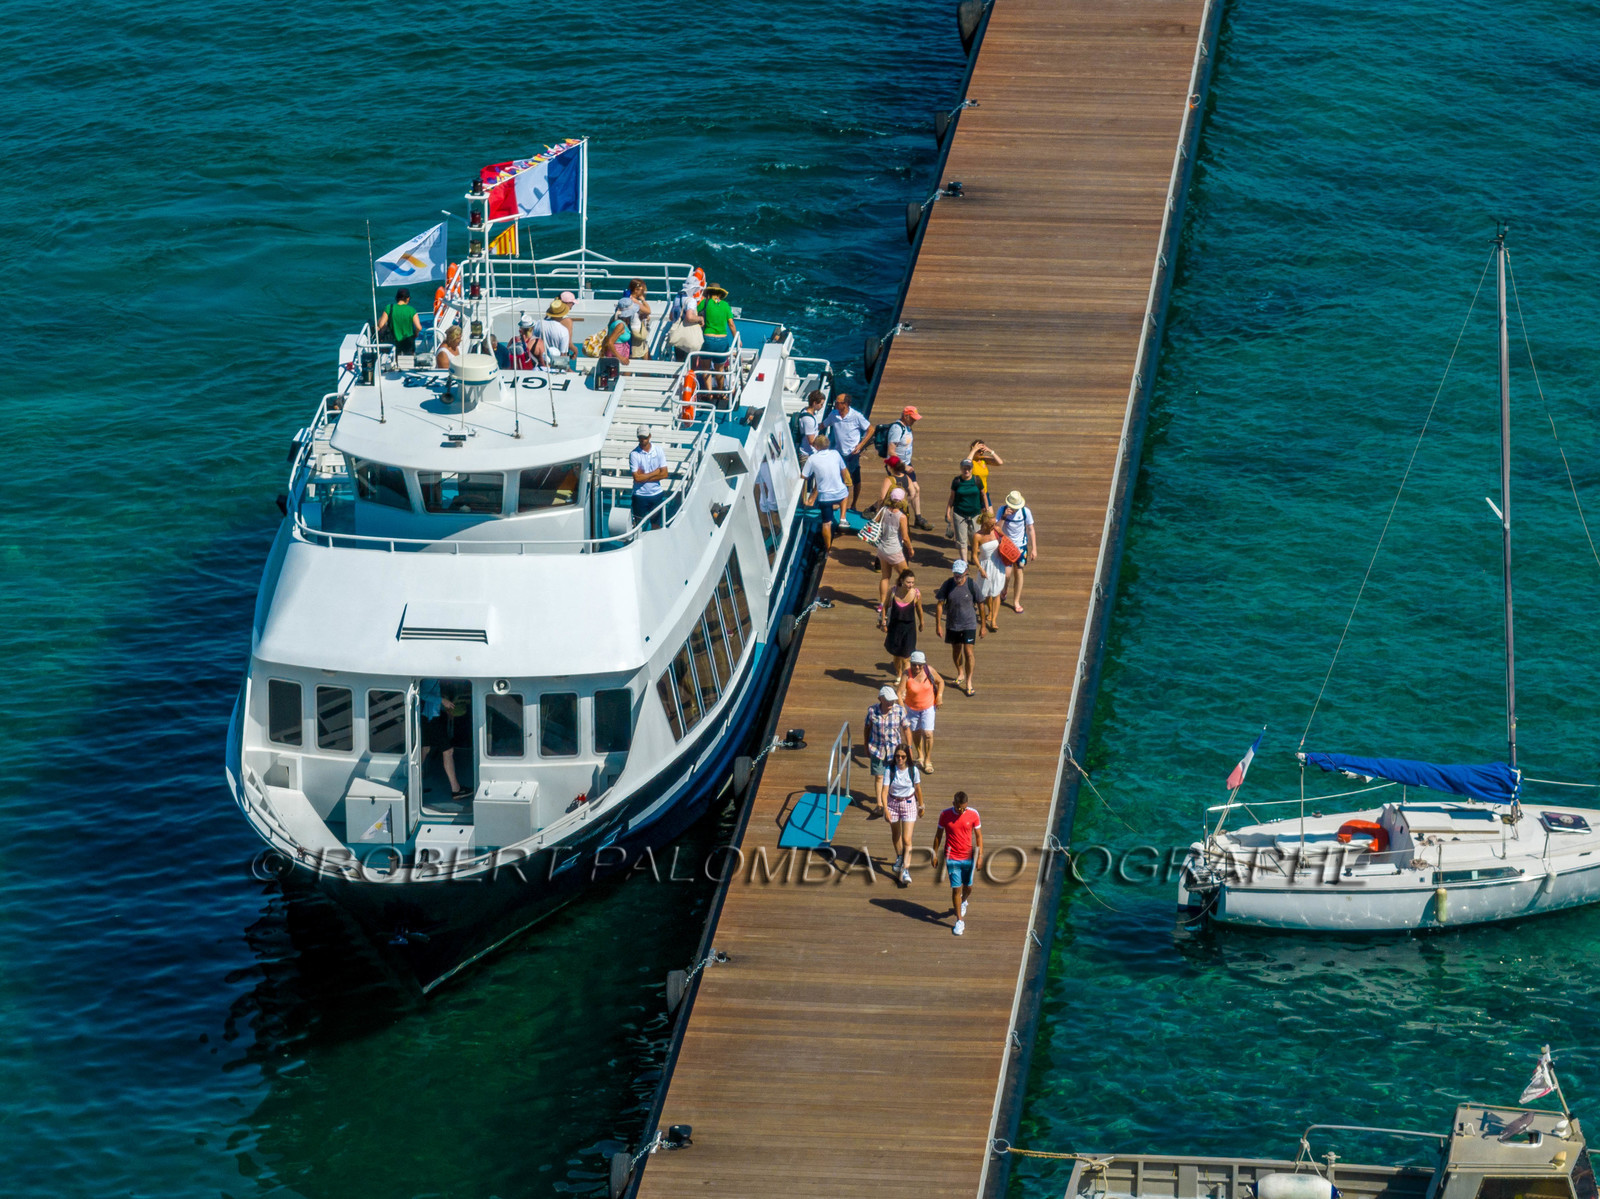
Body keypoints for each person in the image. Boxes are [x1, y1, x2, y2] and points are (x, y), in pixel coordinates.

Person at [933, 790, 983, 936]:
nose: (962, 811)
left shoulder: (973, 814)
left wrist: (980, 856)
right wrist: (934, 854)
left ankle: (963, 901)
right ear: (953, 803)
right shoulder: (945, 815)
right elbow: (938, 835)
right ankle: (959, 920)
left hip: (968, 857)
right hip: (952, 857)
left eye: (964, 808)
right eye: (959, 808)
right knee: (956, 889)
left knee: (969, 887)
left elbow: (979, 836)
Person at [934, 559, 985, 696]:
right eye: (955, 575)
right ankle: (960, 673)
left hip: (969, 623)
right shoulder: (948, 584)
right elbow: (939, 604)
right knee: (956, 651)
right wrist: (938, 625)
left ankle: (969, 681)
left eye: (960, 575)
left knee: (969, 652)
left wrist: (983, 626)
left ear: (966, 573)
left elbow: (981, 604)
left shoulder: (971, 584)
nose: (957, 578)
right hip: (953, 624)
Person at [420, 678, 469, 806]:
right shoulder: (430, 677)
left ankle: (412, 785)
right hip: (431, 720)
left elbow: (432, 698)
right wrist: (443, 701)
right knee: (448, 751)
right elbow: (422, 694)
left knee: (425, 749)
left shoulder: (435, 676)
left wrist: (444, 708)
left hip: (430, 718)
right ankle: (456, 790)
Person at [862, 686, 911, 816]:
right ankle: (879, 804)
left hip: (894, 750)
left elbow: (906, 728)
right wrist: (866, 745)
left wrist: (909, 748)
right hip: (876, 748)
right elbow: (867, 728)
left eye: (892, 700)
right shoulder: (872, 711)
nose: (891, 703)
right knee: (879, 776)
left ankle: (890, 799)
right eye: (888, 700)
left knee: (893, 776)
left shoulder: (899, 710)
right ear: (880, 699)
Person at [821, 391, 872, 510]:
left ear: (845, 404)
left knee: (854, 479)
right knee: (843, 478)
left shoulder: (856, 416)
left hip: (852, 453)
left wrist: (860, 445)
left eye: (837, 403)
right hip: (839, 453)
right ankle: (841, 503)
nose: (835, 405)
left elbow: (870, 429)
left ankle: (853, 504)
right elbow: (823, 425)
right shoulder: (834, 415)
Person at [882, 744, 924, 886]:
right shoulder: (890, 770)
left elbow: (918, 788)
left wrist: (921, 805)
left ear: (907, 757)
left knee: (907, 839)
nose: (899, 759)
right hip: (893, 803)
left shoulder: (913, 771)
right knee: (896, 835)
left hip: (909, 803)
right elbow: (884, 791)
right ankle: (900, 856)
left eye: (903, 757)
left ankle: (905, 869)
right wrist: (885, 809)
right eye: (897, 756)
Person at [898, 649, 944, 773]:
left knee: (928, 733)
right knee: (916, 732)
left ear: (923, 664)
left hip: (928, 706)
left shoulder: (929, 670)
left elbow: (941, 682)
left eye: (920, 664)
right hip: (912, 709)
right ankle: (920, 755)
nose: (917, 667)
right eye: (914, 664)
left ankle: (928, 760)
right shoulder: (906, 674)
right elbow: (899, 692)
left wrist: (939, 696)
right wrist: (902, 708)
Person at [886, 406, 932, 530]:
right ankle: (881, 508)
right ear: (905, 416)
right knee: (907, 491)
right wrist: (904, 466)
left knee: (916, 489)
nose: (914, 420)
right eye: (912, 418)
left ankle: (918, 518)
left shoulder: (908, 427)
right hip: (897, 464)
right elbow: (891, 451)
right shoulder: (896, 428)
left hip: (907, 463)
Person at [801, 441, 850, 551]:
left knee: (826, 523)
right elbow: (843, 469)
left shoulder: (812, 458)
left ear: (817, 446)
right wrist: (843, 481)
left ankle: (828, 549)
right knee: (845, 493)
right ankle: (843, 518)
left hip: (825, 497)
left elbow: (804, 475)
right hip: (839, 493)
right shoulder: (836, 453)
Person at [874, 489, 912, 626]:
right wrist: (911, 549)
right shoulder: (902, 516)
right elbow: (906, 537)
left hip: (882, 549)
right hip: (895, 550)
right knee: (907, 577)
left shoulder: (883, 510)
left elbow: (875, 522)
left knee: (885, 577)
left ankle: (882, 604)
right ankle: (905, 601)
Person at [997, 489, 1038, 614]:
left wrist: (1034, 548)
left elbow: (1031, 529)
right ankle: (1004, 590)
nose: (1013, 509)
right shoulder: (1002, 510)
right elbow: (997, 527)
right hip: (1007, 546)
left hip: (1021, 546)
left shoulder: (1025, 512)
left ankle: (1016, 601)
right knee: (1007, 574)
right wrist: (1004, 516)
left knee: (1018, 572)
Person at [697, 284, 738, 396]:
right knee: (719, 369)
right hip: (722, 340)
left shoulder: (704, 303)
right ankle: (720, 392)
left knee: (706, 368)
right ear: (720, 294)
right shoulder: (725, 305)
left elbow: (695, 315)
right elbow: (731, 324)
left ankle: (709, 393)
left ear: (708, 293)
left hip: (707, 339)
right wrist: (737, 339)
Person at [946, 458, 988, 566]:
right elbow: (952, 498)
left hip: (976, 514)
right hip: (960, 514)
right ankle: (964, 563)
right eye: (964, 468)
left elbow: (983, 495)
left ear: (971, 469)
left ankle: (974, 557)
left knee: (975, 538)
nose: (966, 471)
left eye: (968, 468)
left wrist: (986, 510)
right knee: (962, 540)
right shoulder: (957, 481)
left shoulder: (977, 480)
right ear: (961, 469)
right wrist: (948, 511)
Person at [883, 568, 922, 681]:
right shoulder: (893, 591)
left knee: (906, 657)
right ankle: (899, 674)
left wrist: (922, 622)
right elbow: (885, 607)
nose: (910, 585)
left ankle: (906, 682)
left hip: (909, 629)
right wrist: (883, 622)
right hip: (895, 627)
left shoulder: (916, 594)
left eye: (912, 582)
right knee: (896, 656)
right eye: (908, 582)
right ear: (901, 581)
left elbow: (919, 609)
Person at [630, 426, 670, 529]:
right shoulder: (634, 454)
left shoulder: (658, 450)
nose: (643, 440)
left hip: (655, 494)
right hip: (639, 495)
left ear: (650, 436)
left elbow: (665, 474)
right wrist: (655, 472)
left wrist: (643, 476)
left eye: (645, 437)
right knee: (638, 526)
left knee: (656, 525)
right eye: (641, 437)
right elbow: (637, 479)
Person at [973, 510, 1006, 633]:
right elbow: (974, 556)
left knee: (996, 592)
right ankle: (990, 611)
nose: (993, 526)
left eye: (994, 524)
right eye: (990, 525)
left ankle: (993, 620)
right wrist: (980, 569)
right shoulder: (978, 536)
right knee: (987, 593)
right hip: (985, 565)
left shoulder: (996, 530)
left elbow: (1006, 540)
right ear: (984, 524)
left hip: (998, 564)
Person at [615, 279, 652, 360]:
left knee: (646, 358)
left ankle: (645, 372)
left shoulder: (626, 299)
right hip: (636, 333)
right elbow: (648, 311)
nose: (643, 293)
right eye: (642, 290)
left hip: (632, 331)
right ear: (636, 290)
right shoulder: (633, 300)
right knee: (633, 360)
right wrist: (643, 300)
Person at [376, 288, 420, 356]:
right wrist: (416, 333)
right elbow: (419, 327)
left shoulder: (389, 307)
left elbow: (381, 325)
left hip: (393, 342)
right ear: (408, 299)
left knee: (395, 360)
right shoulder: (411, 310)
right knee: (408, 361)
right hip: (408, 342)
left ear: (397, 297)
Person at [535, 299, 573, 366]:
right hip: (555, 365)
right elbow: (563, 355)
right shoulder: (563, 331)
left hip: (540, 364)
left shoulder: (538, 323)